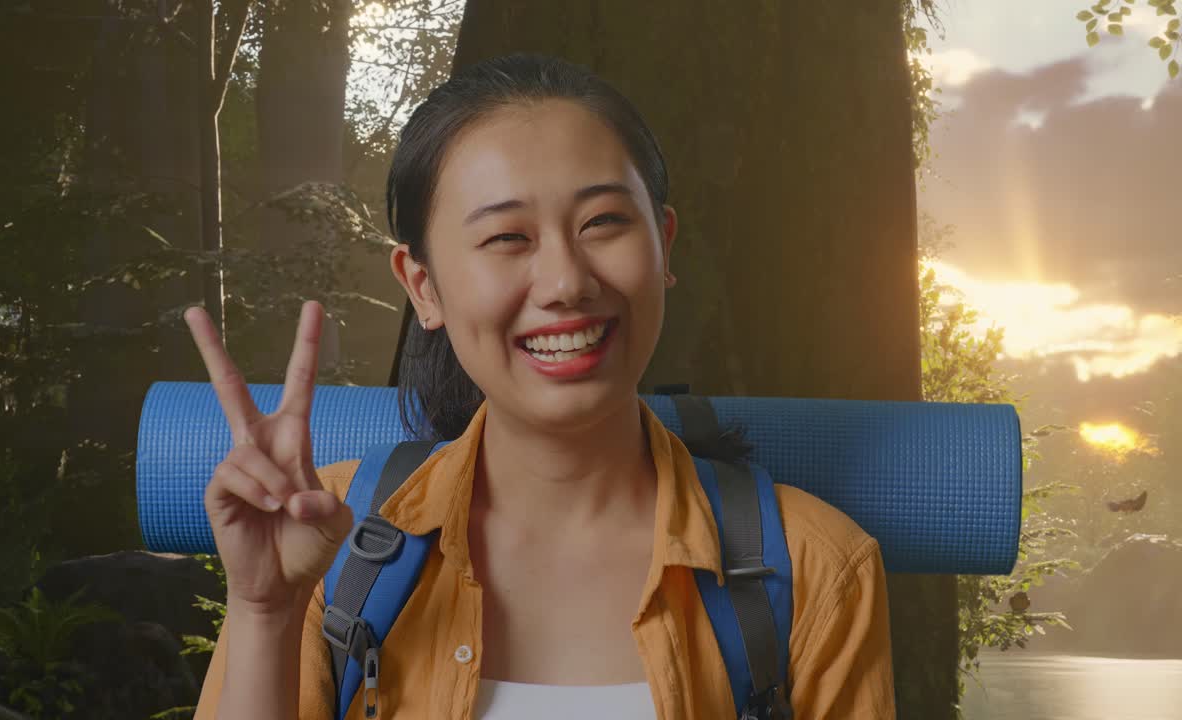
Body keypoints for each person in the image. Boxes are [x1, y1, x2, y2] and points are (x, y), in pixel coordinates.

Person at [189, 53, 895, 720]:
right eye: (507, 238)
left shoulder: (814, 568)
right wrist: (265, 613)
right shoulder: (327, 546)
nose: (566, 283)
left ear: (665, 246)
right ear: (423, 287)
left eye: (604, 223)